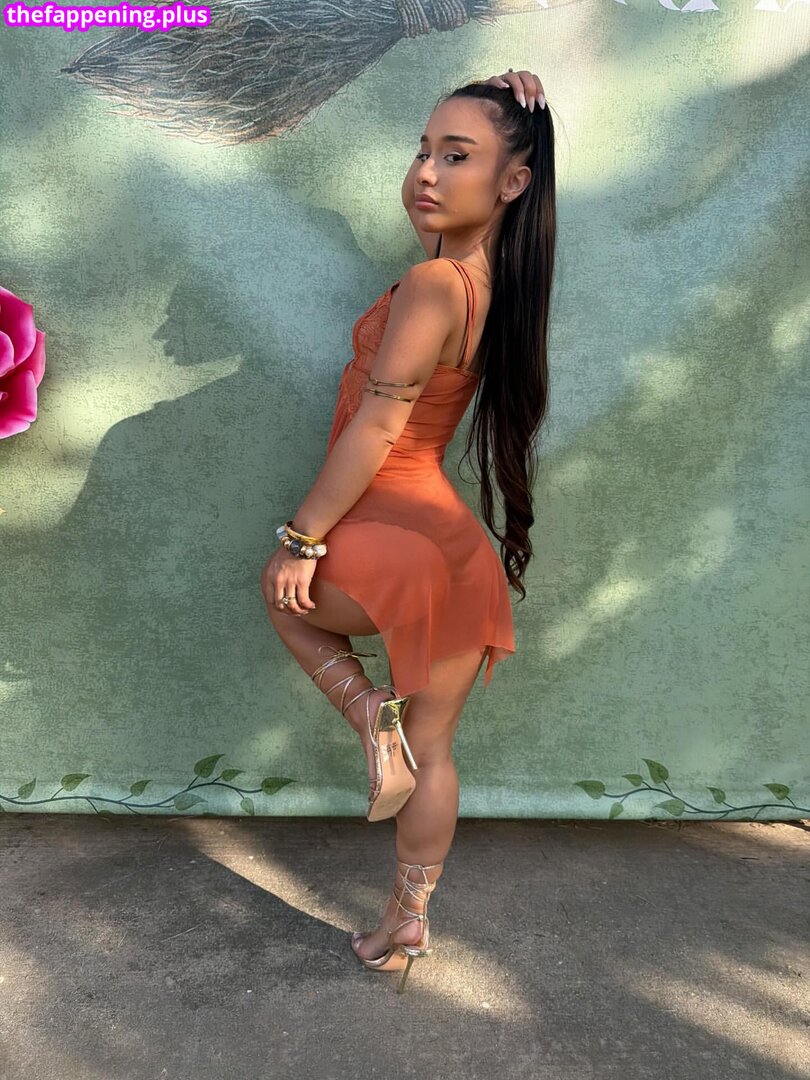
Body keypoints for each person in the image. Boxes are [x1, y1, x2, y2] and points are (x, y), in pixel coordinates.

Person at [261, 69, 555, 993]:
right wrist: (515, 103)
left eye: (457, 156)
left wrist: (304, 537)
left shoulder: (434, 282)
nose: (427, 170)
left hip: (389, 525)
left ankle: (367, 715)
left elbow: (378, 427)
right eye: (423, 149)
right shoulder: (494, 282)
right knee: (437, 751)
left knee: (285, 595)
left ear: (513, 181)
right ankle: (408, 917)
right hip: (456, 553)